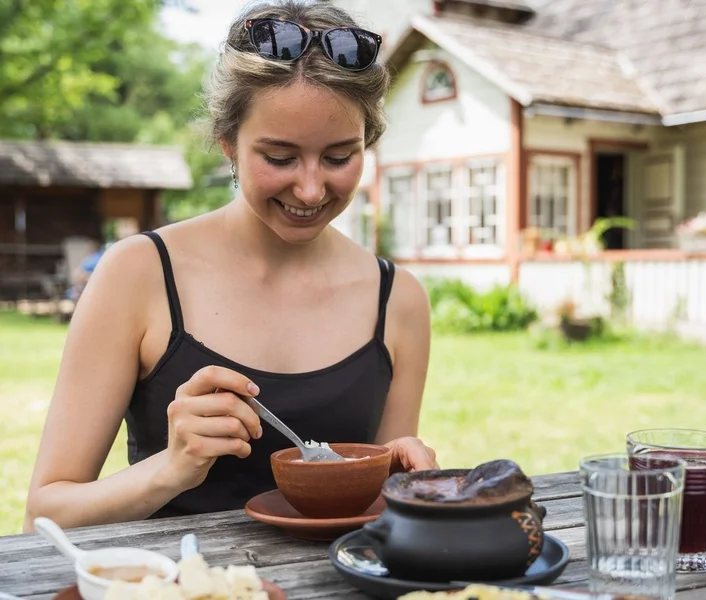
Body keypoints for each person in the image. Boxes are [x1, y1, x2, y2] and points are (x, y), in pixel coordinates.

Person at [24, 0, 437, 531]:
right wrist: (171, 470)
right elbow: (43, 515)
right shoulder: (139, 273)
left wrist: (398, 479)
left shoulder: (398, 299)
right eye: (279, 157)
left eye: (338, 157)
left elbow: (374, 520)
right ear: (228, 144)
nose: (310, 188)